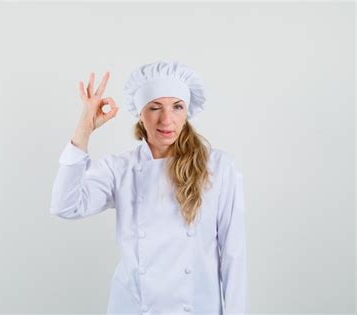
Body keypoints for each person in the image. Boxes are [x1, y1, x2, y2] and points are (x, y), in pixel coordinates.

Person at [50, 60, 247, 315]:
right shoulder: (120, 169)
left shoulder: (218, 167)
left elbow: (234, 255)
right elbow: (64, 206)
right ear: (140, 114)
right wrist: (84, 128)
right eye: (155, 108)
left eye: (177, 107)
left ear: (187, 112)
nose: (167, 119)